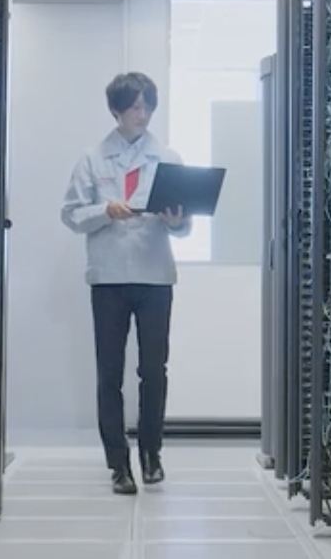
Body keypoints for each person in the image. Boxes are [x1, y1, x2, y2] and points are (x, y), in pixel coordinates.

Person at [60, 71, 190, 495]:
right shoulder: (93, 158)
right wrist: (104, 211)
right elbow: (71, 214)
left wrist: (177, 221)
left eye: (148, 105)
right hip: (110, 278)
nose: (143, 113)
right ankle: (118, 463)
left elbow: (184, 223)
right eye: (135, 106)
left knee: (154, 370)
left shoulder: (167, 156)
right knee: (109, 374)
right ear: (116, 109)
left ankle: (151, 454)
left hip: (155, 277)